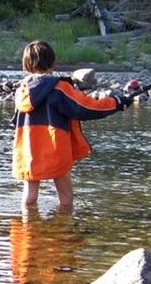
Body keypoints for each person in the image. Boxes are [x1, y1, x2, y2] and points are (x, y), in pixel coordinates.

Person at [12, 39, 127, 209]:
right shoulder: (59, 88)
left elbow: (15, 121)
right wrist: (116, 103)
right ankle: (65, 228)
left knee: (29, 196)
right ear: (54, 62)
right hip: (55, 145)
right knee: (65, 196)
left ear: (26, 64)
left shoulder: (22, 90)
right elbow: (86, 107)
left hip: (28, 148)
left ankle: (28, 231)